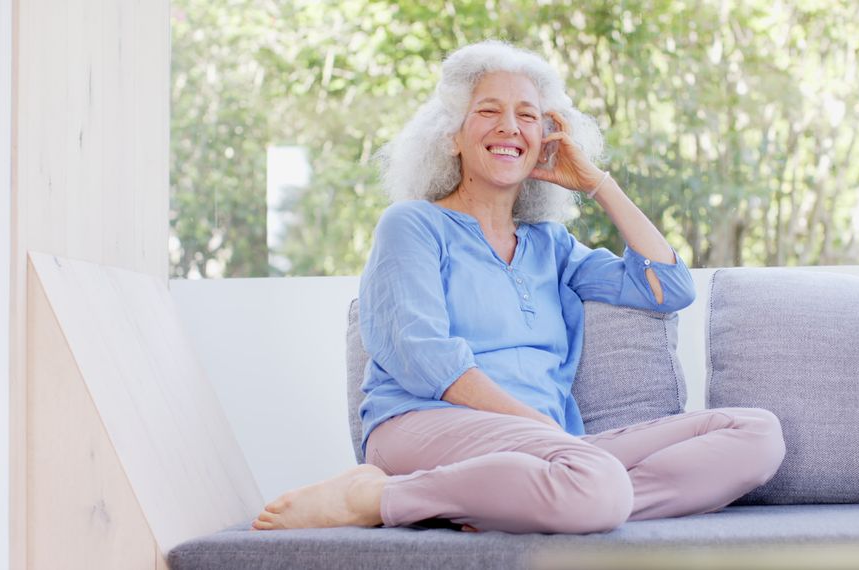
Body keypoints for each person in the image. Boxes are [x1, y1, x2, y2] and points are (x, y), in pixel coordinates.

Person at [251, 40, 785, 535]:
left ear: (544, 141)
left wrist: (597, 181)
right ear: (452, 136)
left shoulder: (550, 247)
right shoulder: (412, 225)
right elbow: (426, 358)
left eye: (527, 115)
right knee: (593, 480)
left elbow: (668, 286)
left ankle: (516, 501)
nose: (509, 126)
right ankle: (378, 497)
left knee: (757, 435)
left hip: (549, 450)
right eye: (488, 111)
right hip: (428, 426)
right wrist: (552, 439)